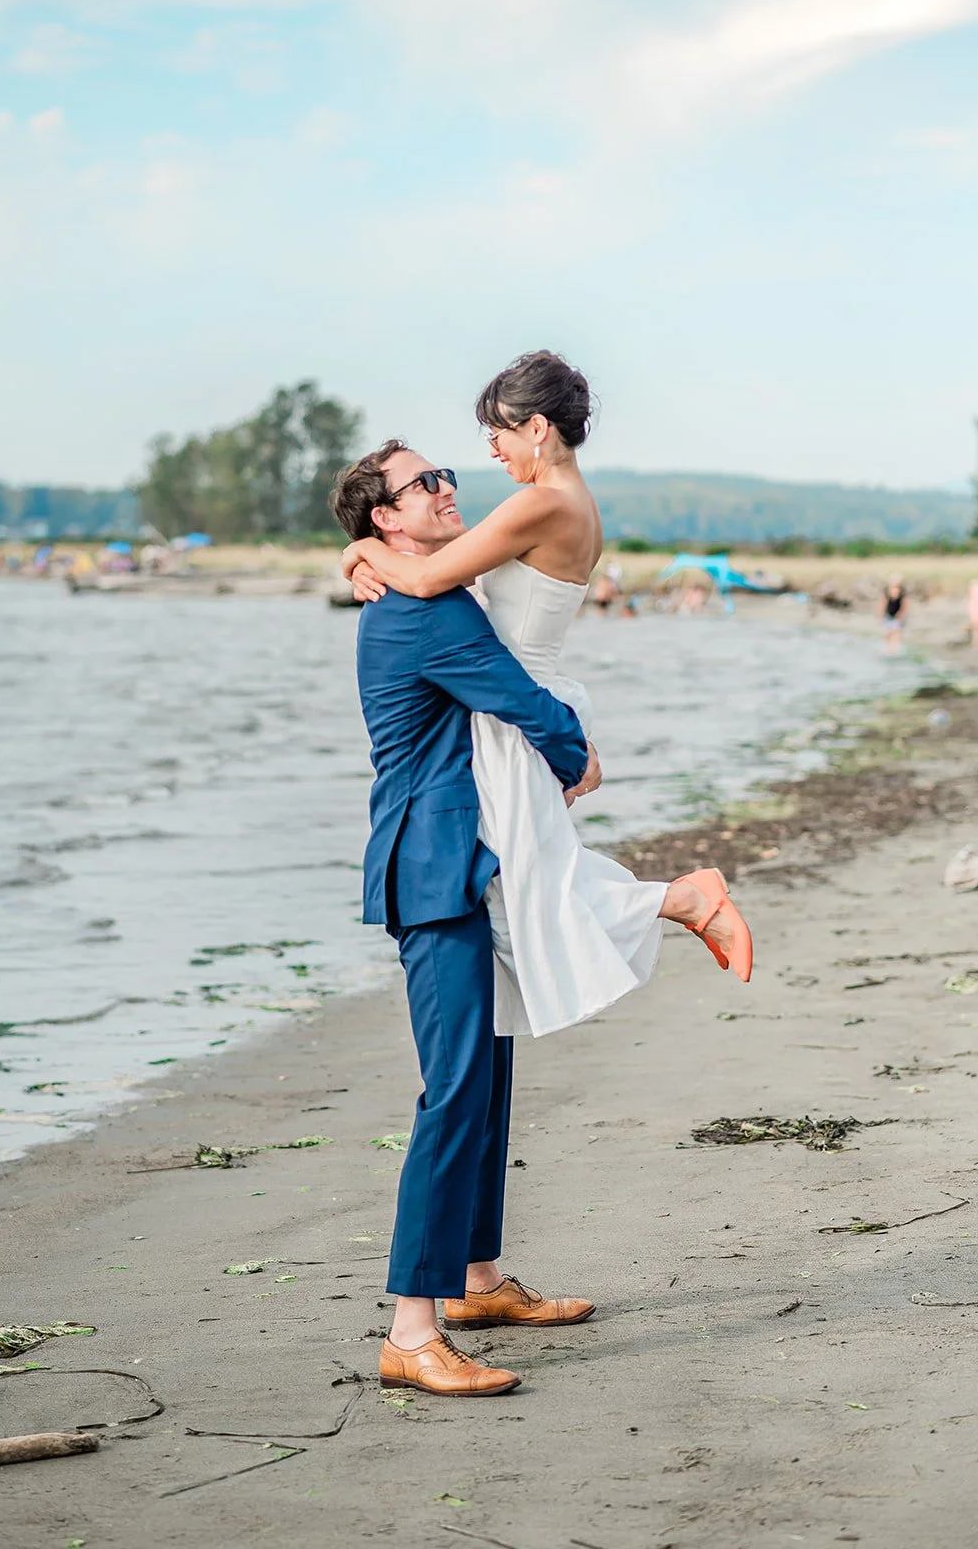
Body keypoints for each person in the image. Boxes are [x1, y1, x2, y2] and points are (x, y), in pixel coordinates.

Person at [341, 351, 752, 1050]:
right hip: (526, 696)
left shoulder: (540, 502)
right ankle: (677, 902)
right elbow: (445, 560)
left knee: (531, 886)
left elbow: (429, 574)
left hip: (513, 712)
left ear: (535, 428)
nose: (491, 452)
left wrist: (358, 554)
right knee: (528, 879)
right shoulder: (565, 502)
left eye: (496, 434)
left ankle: (683, 900)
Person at [330, 444, 603, 1397]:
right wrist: (575, 755)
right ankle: (410, 1330)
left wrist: (357, 560)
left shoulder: (422, 586)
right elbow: (520, 700)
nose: (446, 489)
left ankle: (478, 1281)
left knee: (486, 1075)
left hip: (467, 864)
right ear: (385, 522)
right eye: (422, 485)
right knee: (452, 1091)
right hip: (432, 869)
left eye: (444, 473)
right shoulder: (425, 612)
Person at [882, 580, 907, 656]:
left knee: (896, 633)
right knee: (887, 633)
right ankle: (887, 649)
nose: (894, 591)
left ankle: (895, 650)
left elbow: (904, 607)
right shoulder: (887, 597)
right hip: (888, 616)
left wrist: (900, 615)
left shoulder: (901, 597)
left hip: (896, 618)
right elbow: (883, 605)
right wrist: (881, 614)